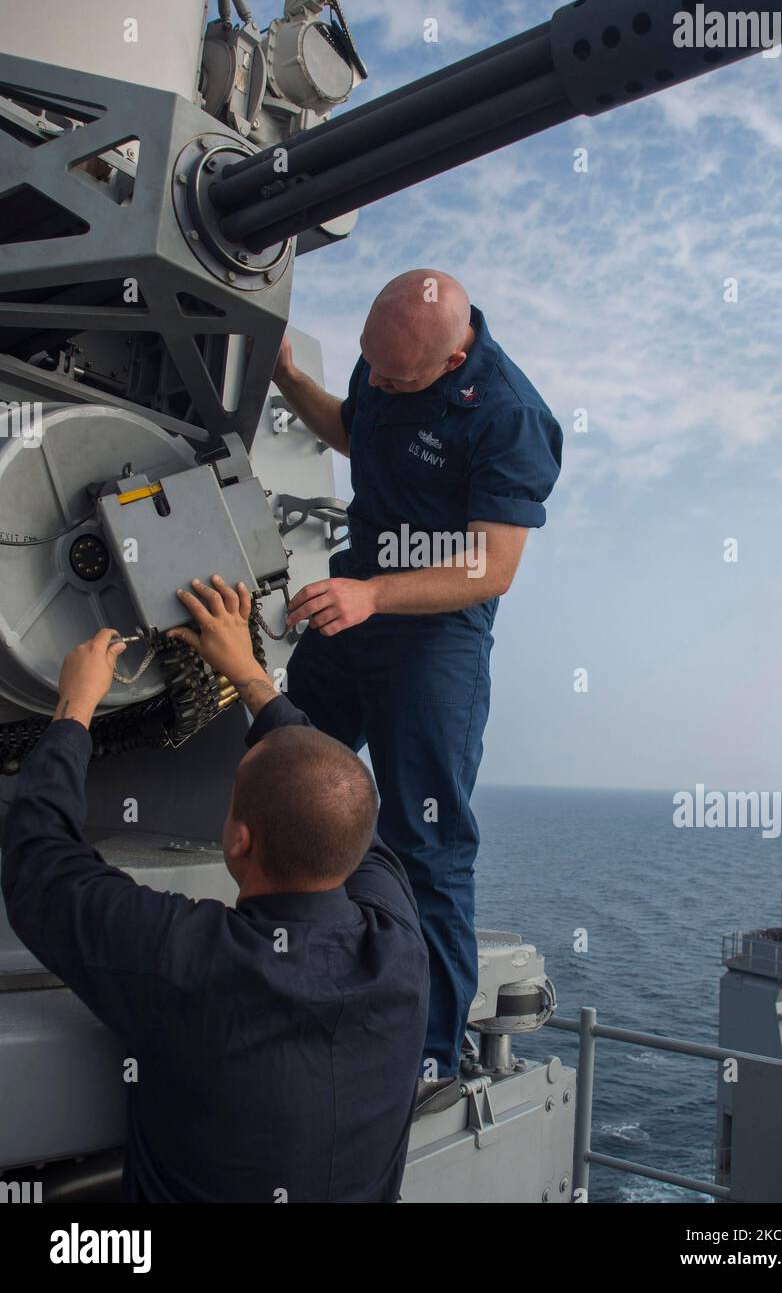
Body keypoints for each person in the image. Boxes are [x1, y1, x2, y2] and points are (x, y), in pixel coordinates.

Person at [1, 577, 429, 1203]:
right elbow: (331, 792)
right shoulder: (402, 954)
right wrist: (250, 674)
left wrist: (74, 708)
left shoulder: (186, 960)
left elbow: (40, 864)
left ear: (239, 841)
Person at [272, 269, 562, 1105]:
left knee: (425, 842)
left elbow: (490, 567)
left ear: (454, 355)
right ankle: (289, 970)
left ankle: (427, 1058)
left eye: (399, 378)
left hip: (434, 632)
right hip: (354, 606)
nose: (383, 384)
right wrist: (294, 382)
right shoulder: (388, 357)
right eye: (377, 369)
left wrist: (375, 593)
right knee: (285, 772)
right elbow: (356, 431)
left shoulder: (509, 416)